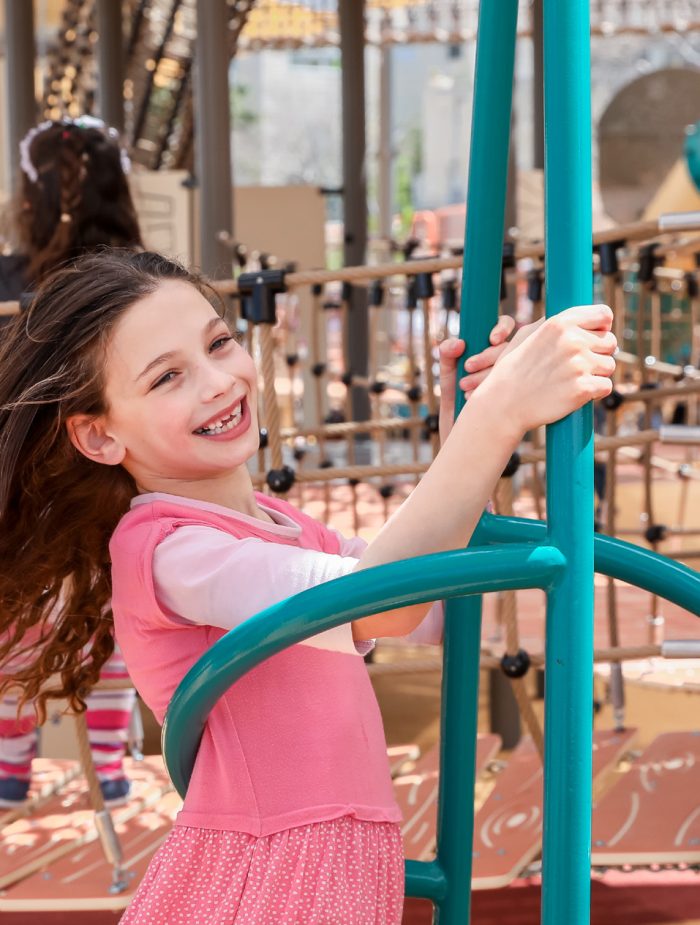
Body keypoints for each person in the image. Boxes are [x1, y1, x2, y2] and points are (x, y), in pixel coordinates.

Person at [0, 249, 616, 923]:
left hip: (330, 862)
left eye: (218, 343)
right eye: (167, 377)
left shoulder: (281, 523)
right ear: (98, 434)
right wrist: (493, 417)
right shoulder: (169, 550)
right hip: (271, 872)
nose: (216, 381)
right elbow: (384, 602)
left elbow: (431, 608)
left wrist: (467, 432)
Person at [0, 117, 143, 807]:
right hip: (121, 481)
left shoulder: (8, 284)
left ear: (28, 199)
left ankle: (10, 769)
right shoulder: (144, 281)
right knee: (112, 616)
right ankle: (110, 768)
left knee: (14, 619)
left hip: (24, 490)